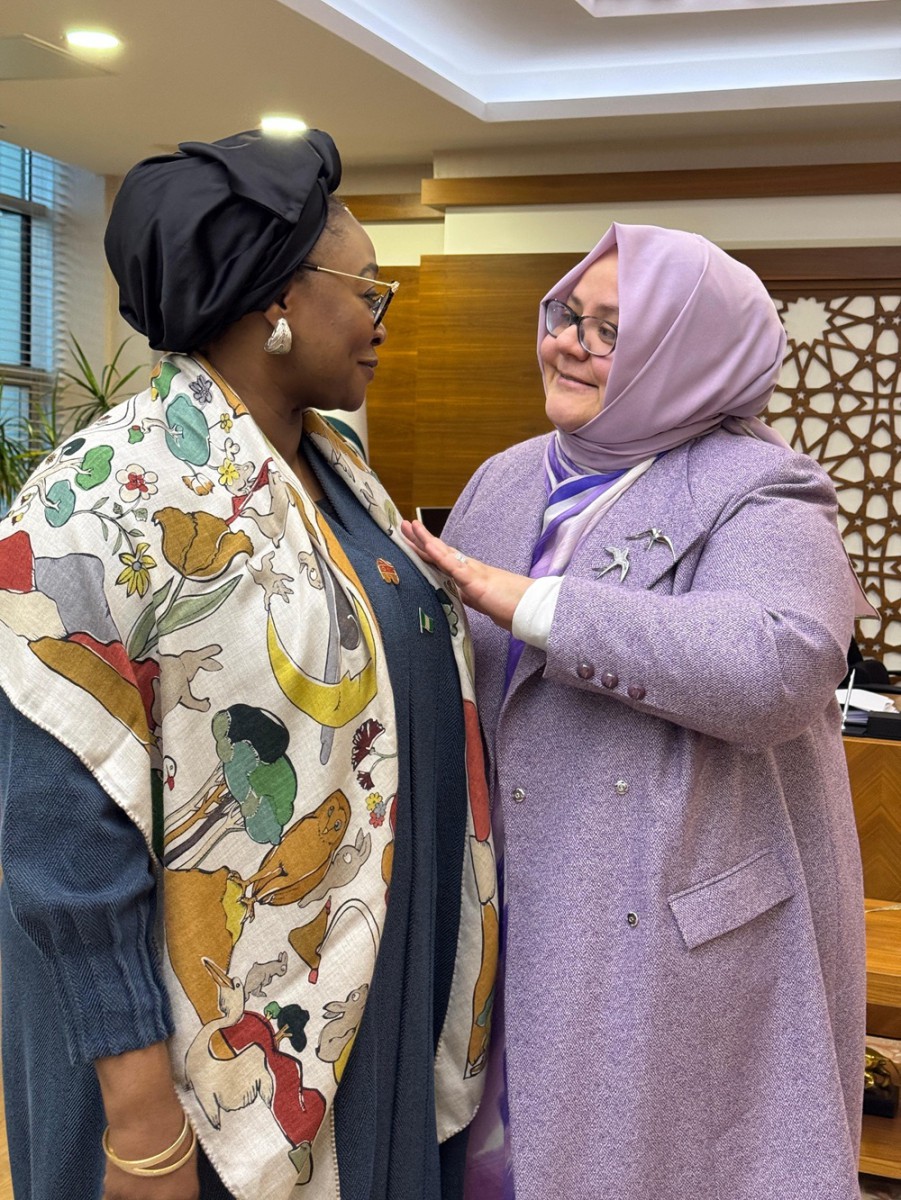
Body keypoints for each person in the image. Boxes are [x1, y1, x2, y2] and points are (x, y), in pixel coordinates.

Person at [0, 129, 497, 1200]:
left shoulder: (336, 470)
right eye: (366, 290)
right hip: (185, 1057)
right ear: (276, 297)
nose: (380, 322)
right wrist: (142, 1124)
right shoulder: (103, 497)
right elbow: (59, 841)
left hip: (358, 993)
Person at [402, 222, 870, 1200]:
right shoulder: (503, 478)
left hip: (653, 941)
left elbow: (779, 664)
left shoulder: (761, 487)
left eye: (610, 331)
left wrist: (539, 606)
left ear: (687, 355)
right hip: (502, 921)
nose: (568, 344)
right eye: (566, 315)